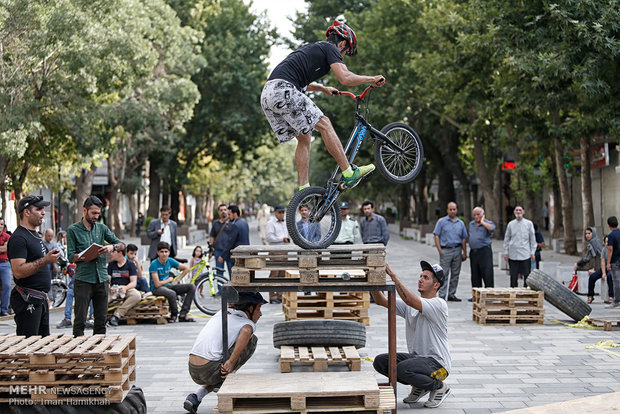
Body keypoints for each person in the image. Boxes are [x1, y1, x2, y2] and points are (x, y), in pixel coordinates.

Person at [261, 20, 385, 192]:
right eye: (347, 52)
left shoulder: (312, 51)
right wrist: (371, 79)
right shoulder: (331, 48)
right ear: (342, 43)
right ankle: (348, 172)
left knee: (305, 137)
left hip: (268, 95)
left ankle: (304, 188)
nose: (343, 57)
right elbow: (345, 78)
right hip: (284, 89)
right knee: (324, 123)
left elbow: (300, 83)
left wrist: (323, 89)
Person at [371, 262, 451, 408]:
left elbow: (410, 299)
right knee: (381, 361)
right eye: (420, 276)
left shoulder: (438, 304)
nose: (420, 279)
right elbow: (381, 300)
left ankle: (439, 386)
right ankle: (420, 385)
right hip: (418, 359)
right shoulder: (411, 306)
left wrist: (392, 275)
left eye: (426, 278)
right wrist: (373, 279)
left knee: (403, 368)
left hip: (438, 364)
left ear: (436, 285)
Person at [184, 292, 267, 414]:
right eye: (259, 308)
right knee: (252, 340)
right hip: (209, 369)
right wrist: (230, 362)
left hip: (193, 368)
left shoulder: (221, 313)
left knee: (223, 351)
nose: (260, 314)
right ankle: (224, 379)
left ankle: (196, 396)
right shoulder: (247, 324)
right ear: (250, 308)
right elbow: (246, 330)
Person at [67, 195, 124, 336]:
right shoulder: (73, 230)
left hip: (102, 278)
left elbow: (122, 244)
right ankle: (78, 351)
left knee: (101, 319)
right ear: (84, 211)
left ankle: (98, 351)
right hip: (84, 279)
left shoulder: (101, 228)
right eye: (93, 213)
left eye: (98, 213)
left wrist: (112, 247)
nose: (96, 216)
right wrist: (84, 255)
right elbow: (71, 256)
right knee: (80, 318)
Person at [7, 195, 61, 337]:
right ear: (27, 212)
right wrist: (45, 260)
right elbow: (18, 271)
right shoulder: (19, 238)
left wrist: (44, 295)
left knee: (42, 348)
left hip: (40, 299)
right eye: (39, 209)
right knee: (28, 349)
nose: (43, 212)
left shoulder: (35, 235)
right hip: (27, 300)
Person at [149, 241, 196, 322]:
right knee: (172, 293)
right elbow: (157, 284)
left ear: (169, 252)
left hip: (168, 286)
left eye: (166, 252)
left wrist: (177, 280)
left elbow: (186, 269)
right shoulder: (154, 264)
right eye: (162, 252)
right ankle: (174, 314)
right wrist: (169, 280)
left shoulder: (170, 261)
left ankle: (183, 314)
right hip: (157, 289)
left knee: (191, 287)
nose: (164, 254)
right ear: (158, 253)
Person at [433, 202, 468, 301]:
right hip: (446, 250)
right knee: (443, 274)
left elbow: (464, 238)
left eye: (454, 209)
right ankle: (442, 295)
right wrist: (440, 250)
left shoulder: (460, 223)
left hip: (457, 250)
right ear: (447, 210)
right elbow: (436, 235)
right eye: (450, 209)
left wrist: (464, 252)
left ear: (457, 210)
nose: (452, 211)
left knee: (455, 274)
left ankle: (452, 294)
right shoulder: (441, 222)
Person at [503, 206, 536, 288]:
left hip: (525, 253)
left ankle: (526, 292)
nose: (518, 212)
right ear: (514, 212)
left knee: (527, 275)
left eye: (520, 210)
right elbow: (506, 239)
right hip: (513, 254)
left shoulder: (529, 224)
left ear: (523, 212)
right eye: (517, 210)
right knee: (513, 276)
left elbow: (532, 239)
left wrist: (532, 252)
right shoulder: (511, 224)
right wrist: (506, 252)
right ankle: (513, 291)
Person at [108, 245, 141, 327]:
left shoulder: (130, 264)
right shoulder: (111, 264)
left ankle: (117, 315)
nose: (111, 254)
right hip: (114, 288)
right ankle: (96, 317)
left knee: (136, 295)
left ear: (120, 253)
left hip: (126, 288)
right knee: (103, 298)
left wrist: (125, 288)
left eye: (113, 252)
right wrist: (110, 287)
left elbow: (133, 282)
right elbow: (107, 280)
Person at [265, 205, 290, 304]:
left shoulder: (285, 223)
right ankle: (272, 296)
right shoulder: (270, 223)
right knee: (274, 273)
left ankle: (280, 295)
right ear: (275, 213)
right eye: (279, 212)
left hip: (284, 250)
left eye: (283, 212)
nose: (281, 214)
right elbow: (269, 237)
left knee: (282, 274)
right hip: (275, 250)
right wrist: (281, 239)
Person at [468, 207, 495, 295]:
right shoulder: (471, 224)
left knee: (487, 273)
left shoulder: (488, 223)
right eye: (474, 215)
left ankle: (489, 294)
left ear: (483, 215)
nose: (476, 217)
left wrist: (483, 222)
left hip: (484, 251)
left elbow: (491, 228)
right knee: (475, 274)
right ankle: (476, 295)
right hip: (474, 252)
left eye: (478, 214)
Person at [209, 204, 235, 279]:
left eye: (224, 210)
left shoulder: (231, 223)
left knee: (232, 272)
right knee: (219, 273)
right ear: (218, 212)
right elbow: (212, 236)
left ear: (227, 211)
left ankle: (232, 290)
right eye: (221, 210)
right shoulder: (215, 223)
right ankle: (220, 290)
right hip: (218, 251)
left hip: (229, 251)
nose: (223, 211)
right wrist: (211, 250)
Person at [587, 235, 614, 304]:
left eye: (608, 242)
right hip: (605, 267)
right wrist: (603, 272)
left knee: (609, 276)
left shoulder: (615, 249)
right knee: (592, 277)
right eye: (606, 242)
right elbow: (602, 261)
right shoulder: (604, 249)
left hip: (614, 268)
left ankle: (611, 296)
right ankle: (590, 295)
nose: (607, 244)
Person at [605, 216, 620, 308]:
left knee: (616, 281)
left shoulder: (611, 235)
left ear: (609, 225)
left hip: (615, 260)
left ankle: (616, 300)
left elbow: (610, 250)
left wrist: (608, 263)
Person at [0, 217, 11, 316]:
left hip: (4, 263)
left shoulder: (7, 236)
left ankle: (4, 309)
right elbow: (2, 248)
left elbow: (6, 248)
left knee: (7, 285)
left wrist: (4, 247)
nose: (0, 226)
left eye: (1, 224)